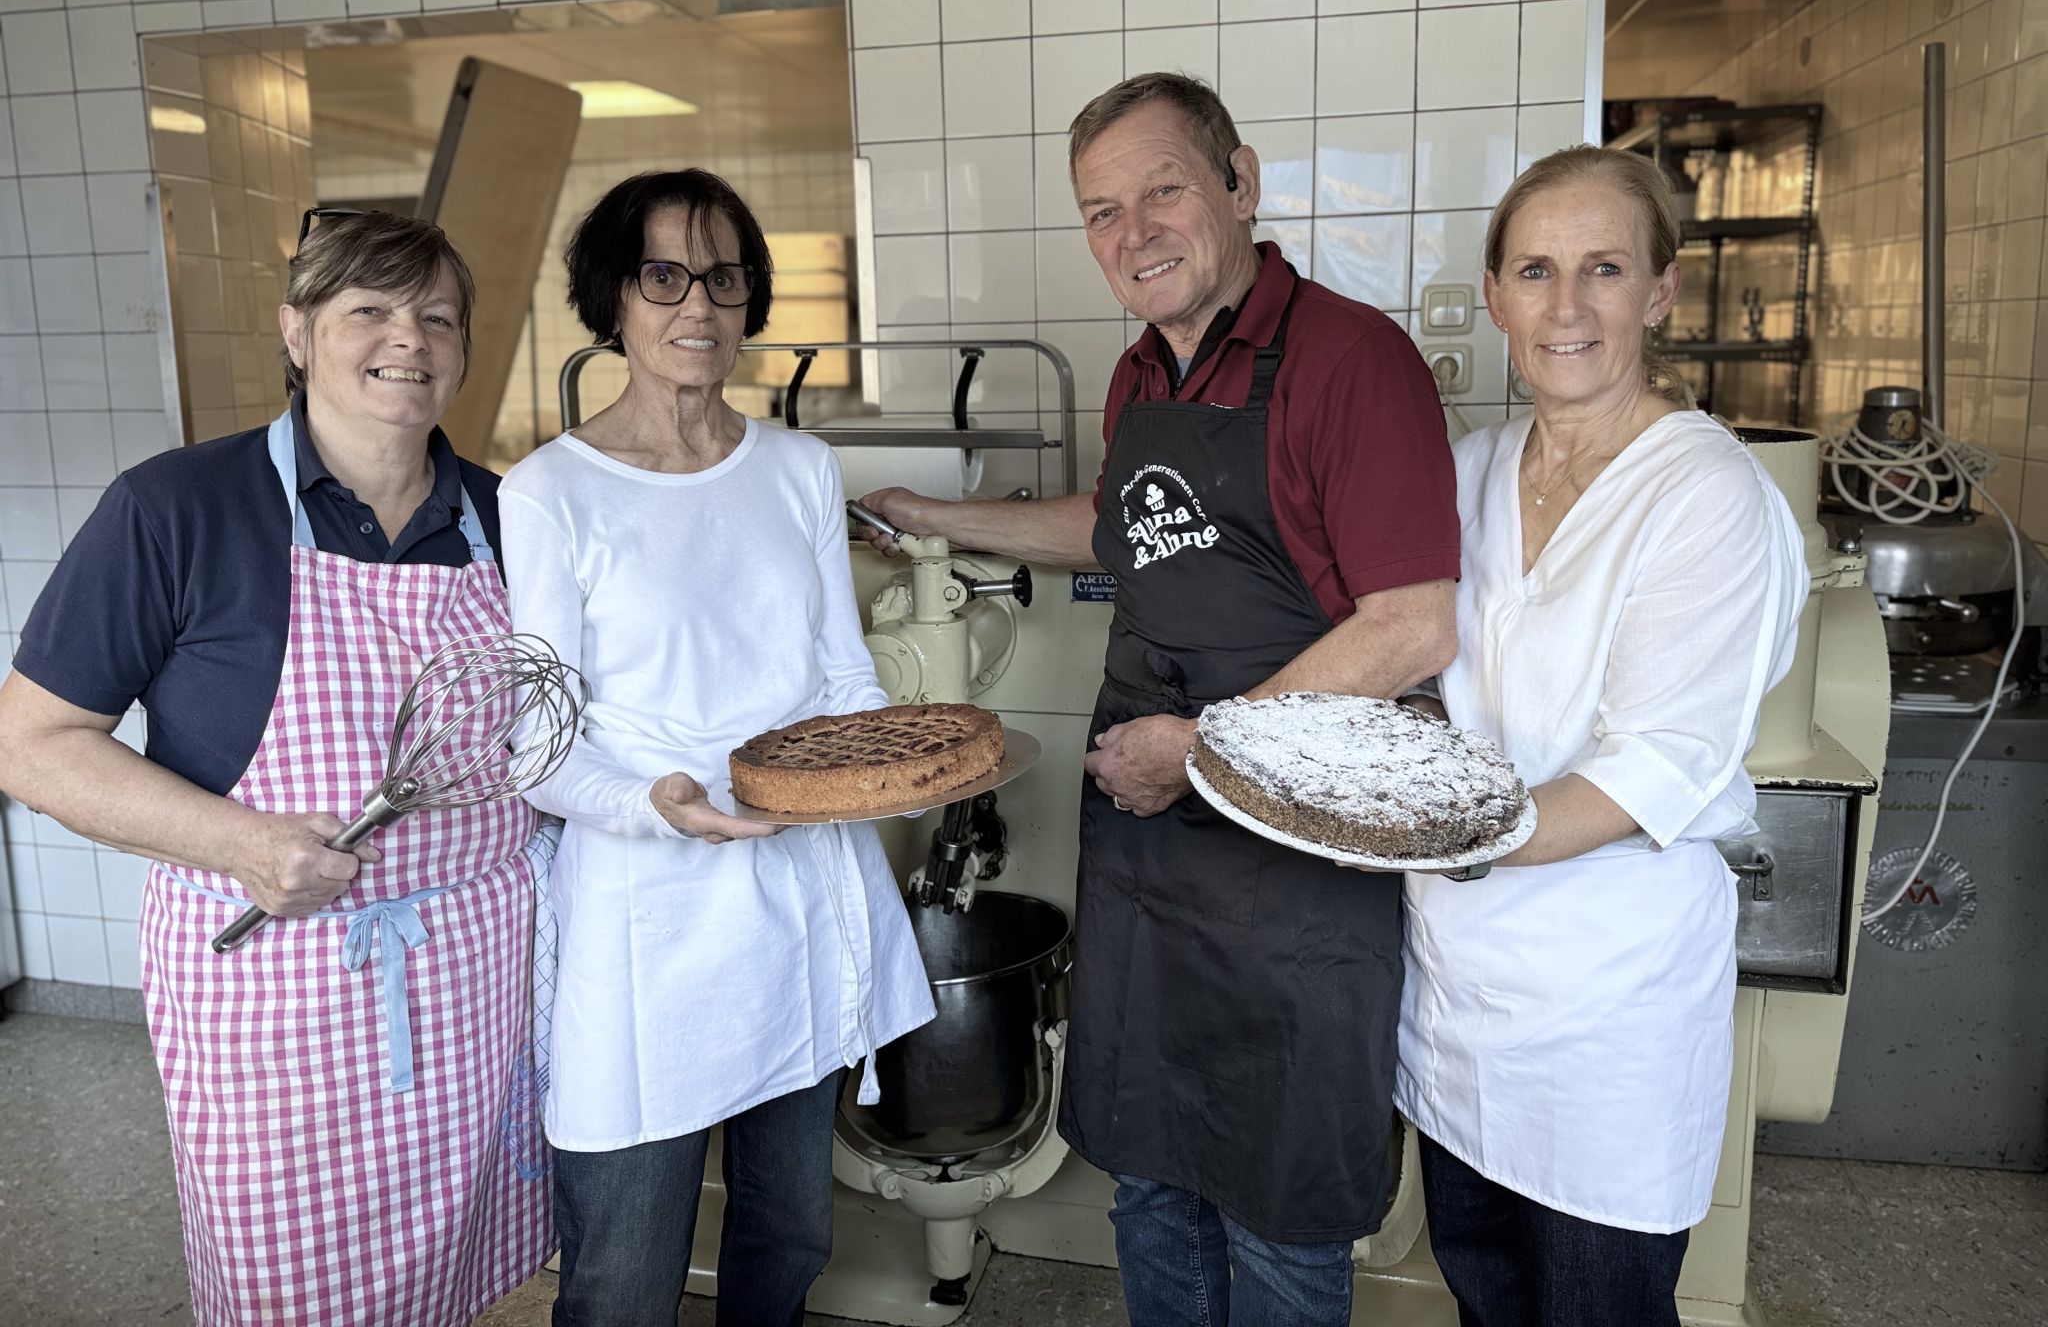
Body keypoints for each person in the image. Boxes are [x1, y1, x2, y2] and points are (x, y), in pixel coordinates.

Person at [860, 72, 1461, 1326]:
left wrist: (1201, 754)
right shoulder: (1141, 369)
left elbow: (1410, 627)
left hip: (1293, 850)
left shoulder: (1354, 361)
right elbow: (1113, 526)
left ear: (1238, 182)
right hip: (1148, 842)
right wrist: (926, 517)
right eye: (1097, 212)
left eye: (1162, 191)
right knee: (1150, 1177)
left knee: (1281, 1204)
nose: (1130, 233)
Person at [0, 211, 553, 1325]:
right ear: (298, 332)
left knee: (472, 1268)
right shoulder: (175, 509)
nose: (411, 338)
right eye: (371, 310)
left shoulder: (514, 517)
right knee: (288, 1284)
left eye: (438, 316)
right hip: (277, 998)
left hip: (480, 986)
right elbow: (30, 743)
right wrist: (242, 843)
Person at [499, 168, 934, 1327]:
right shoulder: (550, 493)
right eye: (663, 275)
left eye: (724, 276)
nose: (698, 305)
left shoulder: (796, 468)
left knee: (788, 1237)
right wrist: (660, 803)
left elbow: (841, 678)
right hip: (648, 911)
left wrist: (880, 770)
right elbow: (536, 751)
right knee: (626, 1278)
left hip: (793, 895)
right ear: (614, 300)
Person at [1397, 145, 1806, 1326]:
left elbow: (1654, 767)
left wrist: (1433, 839)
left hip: (1608, 1016)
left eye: (1602, 269)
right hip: (1459, 996)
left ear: (1660, 292)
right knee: (1482, 1300)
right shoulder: (1467, 469)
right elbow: (1433, 675)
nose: (1564, 306)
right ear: (1493, 296)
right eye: (1533, 269)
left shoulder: (1704, 495)